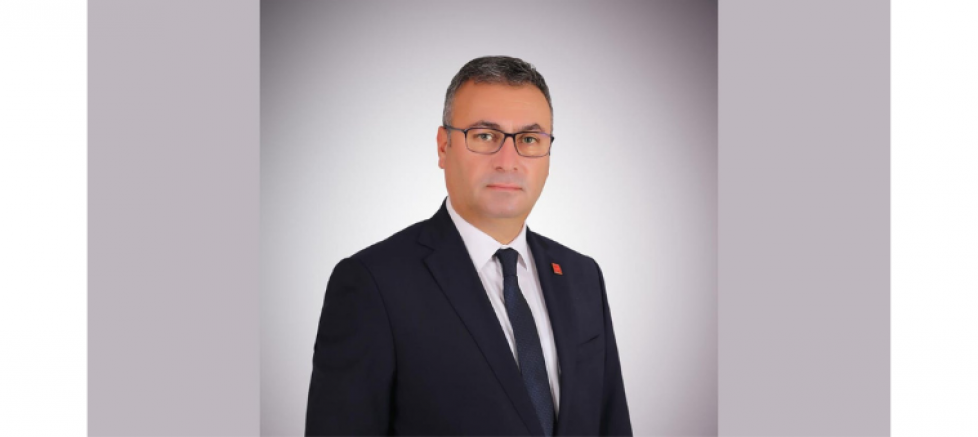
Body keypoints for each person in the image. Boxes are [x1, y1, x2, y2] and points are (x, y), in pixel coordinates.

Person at [305, 56, 632, 436]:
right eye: (485, 136)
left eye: (529, 139)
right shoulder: (374, 283)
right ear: (443, 147)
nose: (508, 161)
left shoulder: (581, 275)